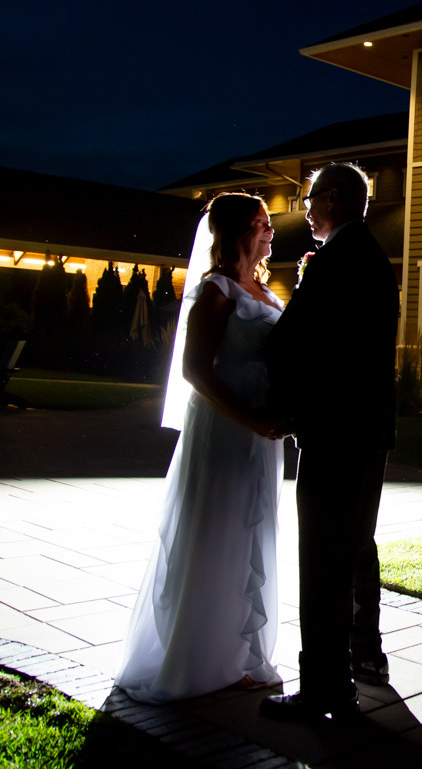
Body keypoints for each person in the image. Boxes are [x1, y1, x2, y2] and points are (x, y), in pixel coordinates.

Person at [116, 192, 285, 703]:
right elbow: (195, 371)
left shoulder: (270, 293)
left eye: (269, 224)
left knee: (253, 533)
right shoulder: (216, 290)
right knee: (217, 532)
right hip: (227, 431)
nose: (270, 232)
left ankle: (241, 656)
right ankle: (200, 659)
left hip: (262, 437)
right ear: (236, 232)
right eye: (260, 223)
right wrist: (251, 417)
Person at [260, 162, 398, 721]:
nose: (307, 210)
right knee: (355, 548)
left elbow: (292, 342)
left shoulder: (335, 261)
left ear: (335, 199)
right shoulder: (374, 258)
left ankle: (323, 687)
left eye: (311, 198)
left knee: (321, 560)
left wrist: (282, 405)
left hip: (334, 431)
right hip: (367, 431)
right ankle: (364, 656)